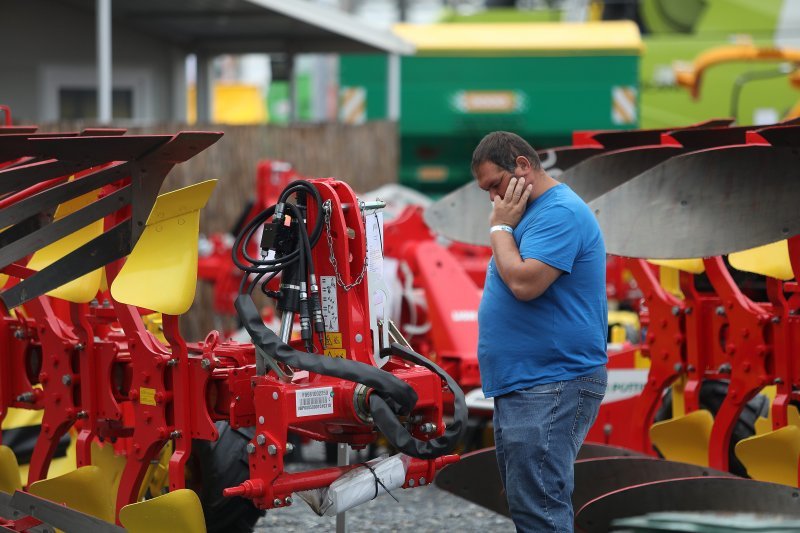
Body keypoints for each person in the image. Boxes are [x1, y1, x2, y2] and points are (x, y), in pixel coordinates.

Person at [472, 131, 608, 532]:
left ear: (523, 166)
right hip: (531, 382)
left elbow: (525, 284)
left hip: (552, 380)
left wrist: (499, 230)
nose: (493, 199)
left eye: (495, 185)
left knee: (540, 508)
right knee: (531, 504)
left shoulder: (558, 212)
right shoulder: (528, 213)